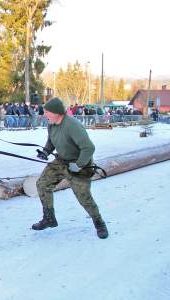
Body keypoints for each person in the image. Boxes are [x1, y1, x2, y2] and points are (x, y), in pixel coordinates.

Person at [32, 97, 108, 239]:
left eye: (47, 112)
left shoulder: (72, 125)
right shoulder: (52, 124)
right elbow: (51, 140)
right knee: (42, 184)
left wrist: (79, 165)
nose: (45, 114)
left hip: (80, 164)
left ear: (57, 112)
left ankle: (99, 223)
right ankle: (49, 218)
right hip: (61, 160)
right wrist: (46, 152)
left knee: (83, 197)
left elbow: (89, 148)